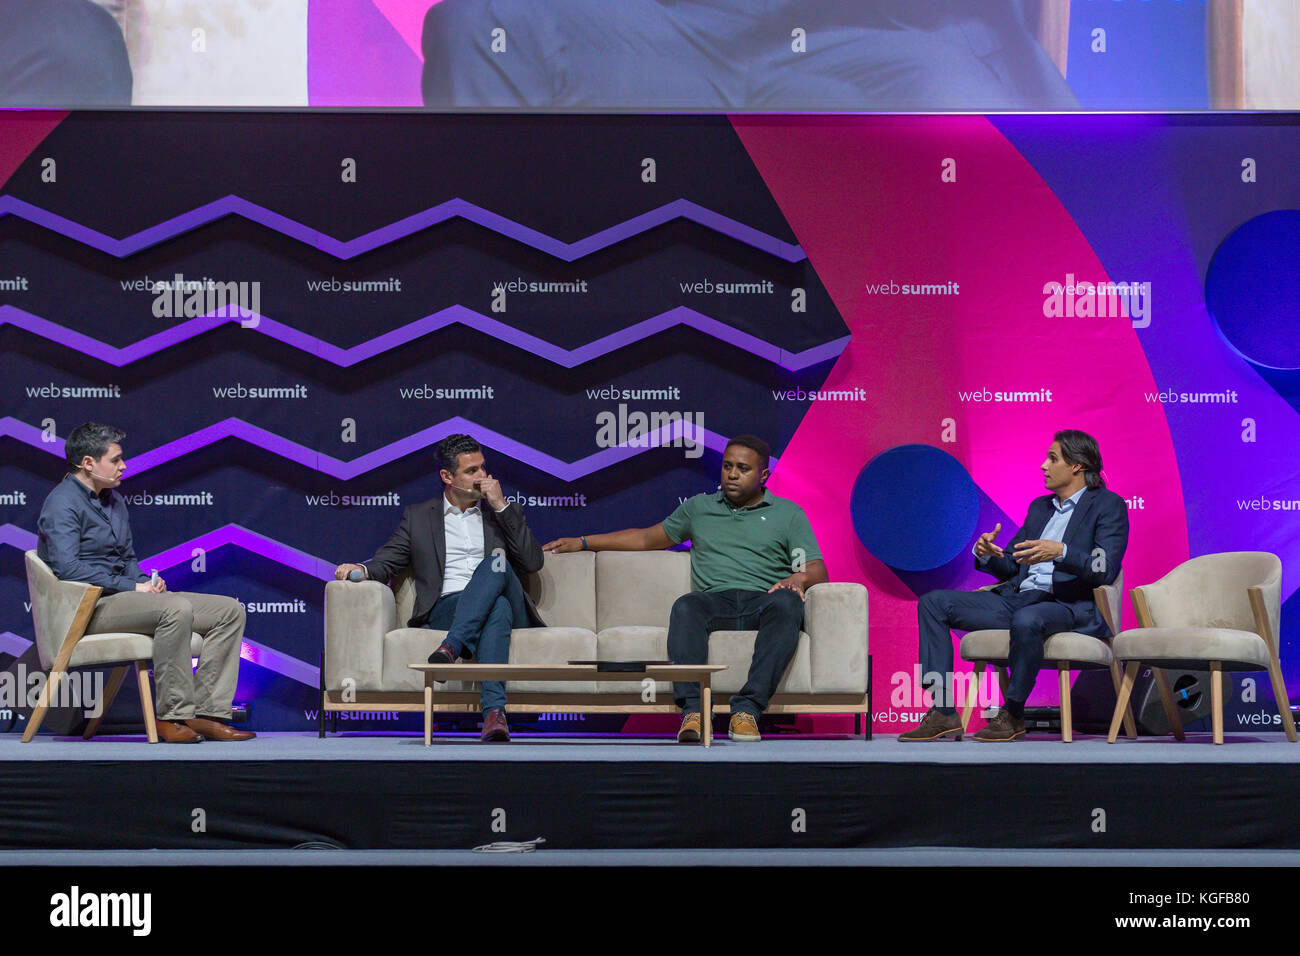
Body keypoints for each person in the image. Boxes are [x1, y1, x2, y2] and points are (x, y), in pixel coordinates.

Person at [543, 435, 827, 742]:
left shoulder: (788, 514)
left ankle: (747, 711)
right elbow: (644, 539)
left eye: (742, 469)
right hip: (715, 602)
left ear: (763, 476)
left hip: (764, 600)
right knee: (686, 605)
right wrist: (583, 542)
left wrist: (799, 579)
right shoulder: (699, 509)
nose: (732, 474)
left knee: (788, 604)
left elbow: (817, 570)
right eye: (727, 466)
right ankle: (694, 712)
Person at [899, 429, 1128, 743]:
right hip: (1019, 598)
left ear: (1076, 465)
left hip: (1067, 604)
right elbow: (1012, 564)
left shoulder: (1107, 505)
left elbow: (1103, 569)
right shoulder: (1040, 508)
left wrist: (1059, 551)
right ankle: (942, 710)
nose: (1043, 466)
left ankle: (1014, 713)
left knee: (1027, 620)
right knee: (933, 603)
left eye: (1052, 458)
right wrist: (989, 556)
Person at [36, 423, 254, 743]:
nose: (124, 465)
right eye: (116, 459)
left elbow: (126, 558)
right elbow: (67, 568)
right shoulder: (62, 503)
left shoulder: (114, 501)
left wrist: (145, 582)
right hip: (87, 607)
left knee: (229, 611)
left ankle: (206, 714)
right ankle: (172, 717)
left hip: (125, 598)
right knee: (175, 609)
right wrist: (131, 587)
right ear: (88, 463)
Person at [335, 434, 544, 743]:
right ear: (447, 476)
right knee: (495, 607)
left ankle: (452, 647)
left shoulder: (500, 513)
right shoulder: (419, 517)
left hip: (508, 599)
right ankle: (494, 715)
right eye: (471, 471)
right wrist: (362, 569)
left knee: (496, 564)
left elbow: (531, 562)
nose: (483, 477)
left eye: (483, 468)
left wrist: (500, 505)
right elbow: (389, 559)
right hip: (450, 606)